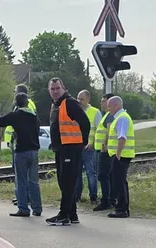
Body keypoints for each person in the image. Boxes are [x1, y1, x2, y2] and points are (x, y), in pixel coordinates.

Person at [46, 77, 90, 226]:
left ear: (63, 87)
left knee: (67, 181)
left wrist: (83, 142)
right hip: (61, 148)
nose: (55, 91)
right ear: (49, 91)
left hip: (71, 147)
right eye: (52, 89)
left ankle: (64, 215)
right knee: (63, 181)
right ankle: (72, 214)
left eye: (58, 88)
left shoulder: (69, 103)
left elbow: (85, 122)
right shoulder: (56, 104)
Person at [105, 96, 134, 219]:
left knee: (118, 182)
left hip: (121, 155)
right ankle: (123, 208)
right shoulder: (121, 117)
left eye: (109, 106)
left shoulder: (122, 118)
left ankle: (121, 209)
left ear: (116, 105)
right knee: (121, 182)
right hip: (121, 155)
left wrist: (117, 154)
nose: (108, 109)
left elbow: (122, 138)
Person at [74, 90, 102, 204]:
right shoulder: (75, 111)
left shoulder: (95, 112)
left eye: (82, 99)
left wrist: (93, 144)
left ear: (88, 99)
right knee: (77, 173)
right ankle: (77, 196)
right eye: (78, 98)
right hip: (77, 146)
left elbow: (99, 130)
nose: (79, 101)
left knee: (91, 172)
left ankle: (93, 196)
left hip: (89, 148)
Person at [93, 94, 114, 211]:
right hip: (102, 149)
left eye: (104, 101)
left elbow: (109, 130)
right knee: (106, 176)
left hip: (105, 151)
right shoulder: (106, 114)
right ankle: (110, 199)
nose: (102, 103)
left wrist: (105, 145)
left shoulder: (110, 115)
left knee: (103, 176)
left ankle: (106, 200)